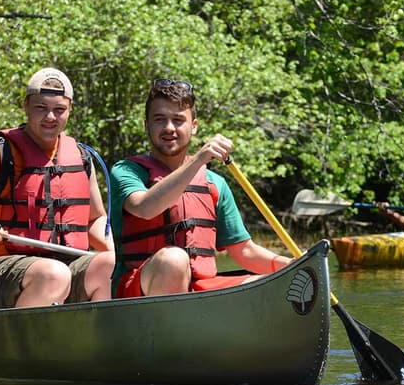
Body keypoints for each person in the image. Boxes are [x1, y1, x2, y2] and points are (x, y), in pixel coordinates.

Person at [109, 77, 291, 298]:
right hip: (138, 292)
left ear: (193, 127)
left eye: (178, 120)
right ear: (146, 125)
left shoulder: (215, 184)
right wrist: (198, 160)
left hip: (199, 290)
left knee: (278, 286)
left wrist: (295, 265)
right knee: (173, 260)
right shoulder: (126, 170)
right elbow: (145, 208)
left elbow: (244, 251)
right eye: (159, 119)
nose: (168, 128)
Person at [0, 67, 114, 308]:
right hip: (3, 274)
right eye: (41, 108)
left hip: (65, 267)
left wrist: (115, 250)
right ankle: (25, 341)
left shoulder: (81, 158)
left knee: (111, 264)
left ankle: (94, 338)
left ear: (69, 109)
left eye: (59, 110)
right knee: (53, 274)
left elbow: (95, 219)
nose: (50, 117)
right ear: (26, 106)